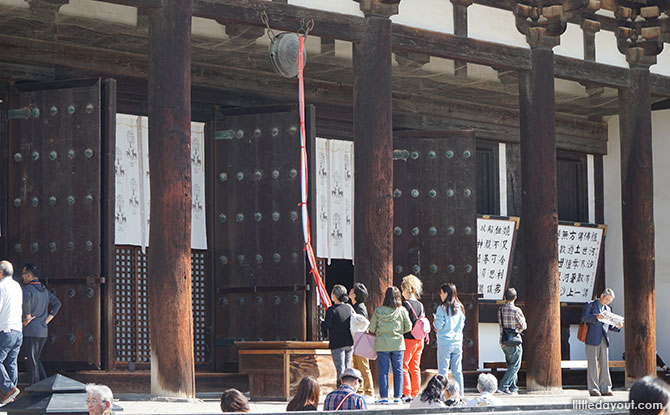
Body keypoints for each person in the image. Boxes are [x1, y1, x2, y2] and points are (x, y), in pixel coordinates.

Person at [369, 286, 412, 404]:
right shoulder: (402, 310)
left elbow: (371, 328)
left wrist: (380, 331)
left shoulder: (378, 311)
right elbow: (409, 327)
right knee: (398, 371)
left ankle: (383, 397)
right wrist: (398, 332)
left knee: (383, 371)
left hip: (382, 344)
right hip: (398, 344)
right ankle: (397, 397)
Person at [20, 263, 62, 385]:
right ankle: (45, 385)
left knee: (31, 361)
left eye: (23, 274)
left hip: (30, 330)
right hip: (42, 331)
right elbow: (57, 304)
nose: (22, 277)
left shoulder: (28, 289)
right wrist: (47, 320)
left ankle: (34, 389)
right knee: (35, 359)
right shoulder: (44, 290)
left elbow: (26, 302)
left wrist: (27, 316)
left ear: (28, 275)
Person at [581, 288, 622, 396]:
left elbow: (608, 325)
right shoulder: (591, 305)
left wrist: (617, 326)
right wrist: (596, 317)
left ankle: (606, 388)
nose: (608, 302)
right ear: (602, 296)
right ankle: (594, 388)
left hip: (604, 338)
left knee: (604, 363)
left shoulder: (608, 309)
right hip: (592, 337)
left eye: (610, 300)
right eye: (607, 299)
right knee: (592, 364)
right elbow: (584, 318)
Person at [433, 282, 465, 398]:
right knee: (457, 371)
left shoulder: (442, 308)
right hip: (457, 342)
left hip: (445, 342)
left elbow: (439, 326)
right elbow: (462, 325)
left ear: (446, 293)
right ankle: (460, 395)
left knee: (443, 371)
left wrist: (435, 321)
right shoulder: (460, 307)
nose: (440, 295)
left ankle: (442, 395)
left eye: (441, 293)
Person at [321, 285, 353, 387]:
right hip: (349, 341)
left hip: (337, 342)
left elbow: (327, 325)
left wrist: (322, 322)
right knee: (347, 367)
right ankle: (349, 387)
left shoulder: (332, 310)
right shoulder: (349, 308)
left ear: (334, 296)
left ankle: (341, 388)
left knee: (340, 367)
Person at [0, 261, 23, 405]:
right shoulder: (17, 286)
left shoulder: (1, 286)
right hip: (18, 330)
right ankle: (11, 397)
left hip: (6, 330)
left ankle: (9, 389)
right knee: (11, 363)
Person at [497, 287, 526, 395]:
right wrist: (517, 328)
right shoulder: (516, 310)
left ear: (504, 297)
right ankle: (503, 386)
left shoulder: (500, 310)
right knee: (515, 366)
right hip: (515, 341)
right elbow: (524, 325)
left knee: (511, 365)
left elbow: (502, 324)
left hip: (504, 340)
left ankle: (513, 388)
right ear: (515, 298)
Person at [400, 274, 425, 401]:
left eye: (402, 289)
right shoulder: (420, 305)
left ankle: (406, 392)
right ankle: (416, 392)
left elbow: (404, 323)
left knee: (403, 366)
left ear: (407, 288)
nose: (402, 292)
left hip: (408, 338)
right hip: (419, 340)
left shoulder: (405, 305)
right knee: (415, 367)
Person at [349, 283, 374, 400]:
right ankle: (360, 390)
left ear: (354, 294)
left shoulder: (359, 308)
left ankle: (369, 391)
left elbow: (363, 324)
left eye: (352, 290)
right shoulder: (356, 306)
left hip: (360, 341)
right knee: (358, 367)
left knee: (363, 367)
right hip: (357, 341)